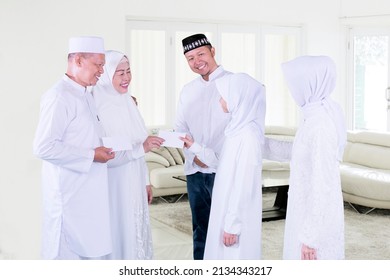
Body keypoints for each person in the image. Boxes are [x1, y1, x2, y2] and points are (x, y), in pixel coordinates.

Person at [33, 36, 115, 259]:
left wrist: (102, 148)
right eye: (98, 65)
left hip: (88, 194)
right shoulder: (58, 96)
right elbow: (43, 146)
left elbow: (82, 137)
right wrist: (92, 155)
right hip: (69, 197)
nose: (101, 71)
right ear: (78, 60)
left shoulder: (85, 94)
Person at [182, 73, 266, 259]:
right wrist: (194, 146)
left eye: (223, 96)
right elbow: (221, 164)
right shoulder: (236, 129)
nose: (220, 100)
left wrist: (232, 226)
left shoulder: (248, 136)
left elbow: (243, 186)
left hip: (233, 217)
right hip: (225, 208)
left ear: (237, 98)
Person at [93, 50, 164, 259]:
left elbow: (138, 144)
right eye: (120, 73)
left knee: (136, 230)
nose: (126, 78)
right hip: (115, 182)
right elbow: (108, 155)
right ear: (107, 74)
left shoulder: (128, 102)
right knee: (119, 228)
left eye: (129, 72)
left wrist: (145, 181)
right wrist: (142, 148)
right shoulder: (98, 105)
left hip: (134, 178)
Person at [281, 55, 346, 260]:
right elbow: (298, 152)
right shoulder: (312, 117)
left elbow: (322, 183)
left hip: (315, 221)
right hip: (304, 210)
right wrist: (261, 145)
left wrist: (310, 237)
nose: (292, 90)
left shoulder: (320, 126)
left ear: (309, 84)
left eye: (295, 84)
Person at [175, 33, 232, 259]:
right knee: (200, 229)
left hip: (224, 170)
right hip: (195, 172)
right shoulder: (188, 90)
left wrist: (209, 156)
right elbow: (180, 129)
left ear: (213, 51)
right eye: (190, 58)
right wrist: (194, 155)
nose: (196, 61)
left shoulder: (234, 84)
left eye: (200, 54)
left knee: (228, 230)